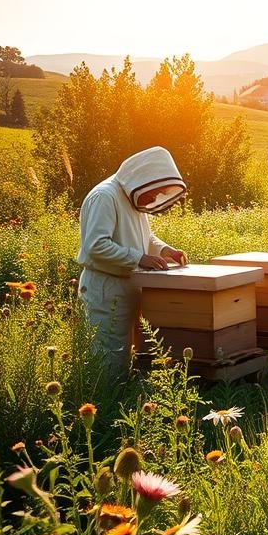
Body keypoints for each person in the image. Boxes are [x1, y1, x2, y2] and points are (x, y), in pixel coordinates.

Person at [77, 146, 189, 372]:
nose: (155, 197)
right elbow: (96, 245)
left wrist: (166, 250)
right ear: (143, 178)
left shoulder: (132, 196)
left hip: (129, 284)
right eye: (155, 191)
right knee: (108, 353)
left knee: (129, 351)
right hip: (105, 288)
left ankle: (121, 398)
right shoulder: (105, 197)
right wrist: (140, 258)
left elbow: (144, 237)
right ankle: (102, 402)